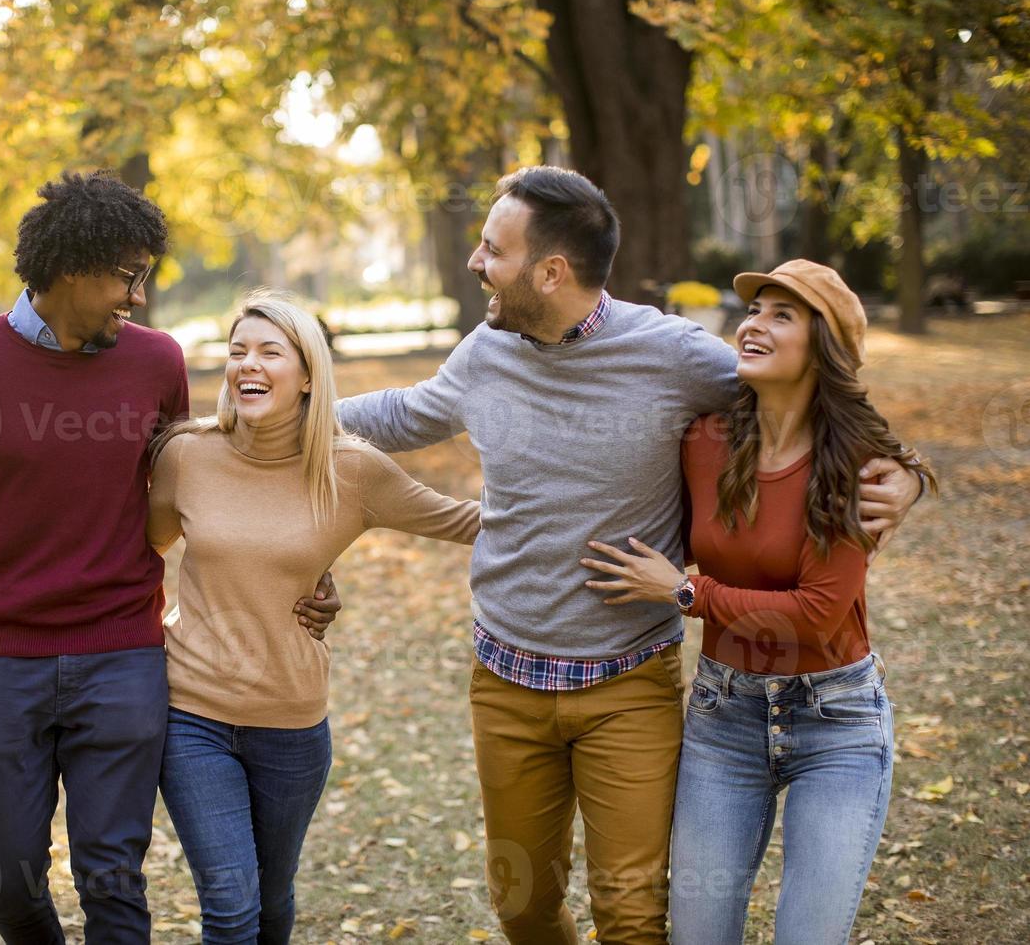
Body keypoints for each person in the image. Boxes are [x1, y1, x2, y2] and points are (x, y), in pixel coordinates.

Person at [333, 167, 924, 944]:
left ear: (551, 272)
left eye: (491, 249)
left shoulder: (675, 356)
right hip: (506, 675)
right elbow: (407, 413)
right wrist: (290, 409)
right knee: (524, 908)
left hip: (629, 681)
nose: (476, 262)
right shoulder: (486, 353)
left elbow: (816, 392)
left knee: (634, 916)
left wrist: (905, 475)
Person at [0, 171, 341, 945]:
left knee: (113, 876)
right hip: (4, 663)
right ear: (71, 268)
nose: (138, 297)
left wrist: (307, 566)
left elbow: (206, 487)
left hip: (124, 655)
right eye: (128, 276)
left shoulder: (154, 362)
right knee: (10, 873)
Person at [579, 260, 935, 944]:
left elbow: (816, 612)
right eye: (753, 310)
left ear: (823, 347)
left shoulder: (856, 463)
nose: (752, 324)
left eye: (781, 314)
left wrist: (687, 592)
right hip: (726, 717)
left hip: (837, 723)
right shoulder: (705, 441)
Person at [146, 292, 480, 943]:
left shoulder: (351, 470)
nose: (249, 364)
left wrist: (594, 515)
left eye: (271, 351)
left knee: (272, 901)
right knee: (232, 909)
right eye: (237, 351)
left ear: (307, 376)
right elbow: (141, 553)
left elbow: (466, 521)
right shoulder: (185, 456)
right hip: (192, 717)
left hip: (293, 728)